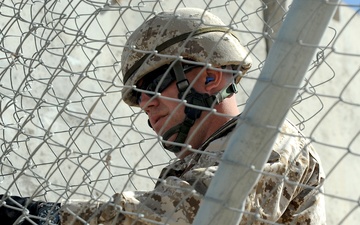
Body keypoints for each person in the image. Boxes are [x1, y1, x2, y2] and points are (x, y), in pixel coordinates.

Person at [0, 8, 326, 225]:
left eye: (152, 85)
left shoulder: (269, 137)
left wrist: (50, 217)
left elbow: (192, 211)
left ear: (210, 78)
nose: (145, 103)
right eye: (137, 96)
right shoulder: (187, 168)